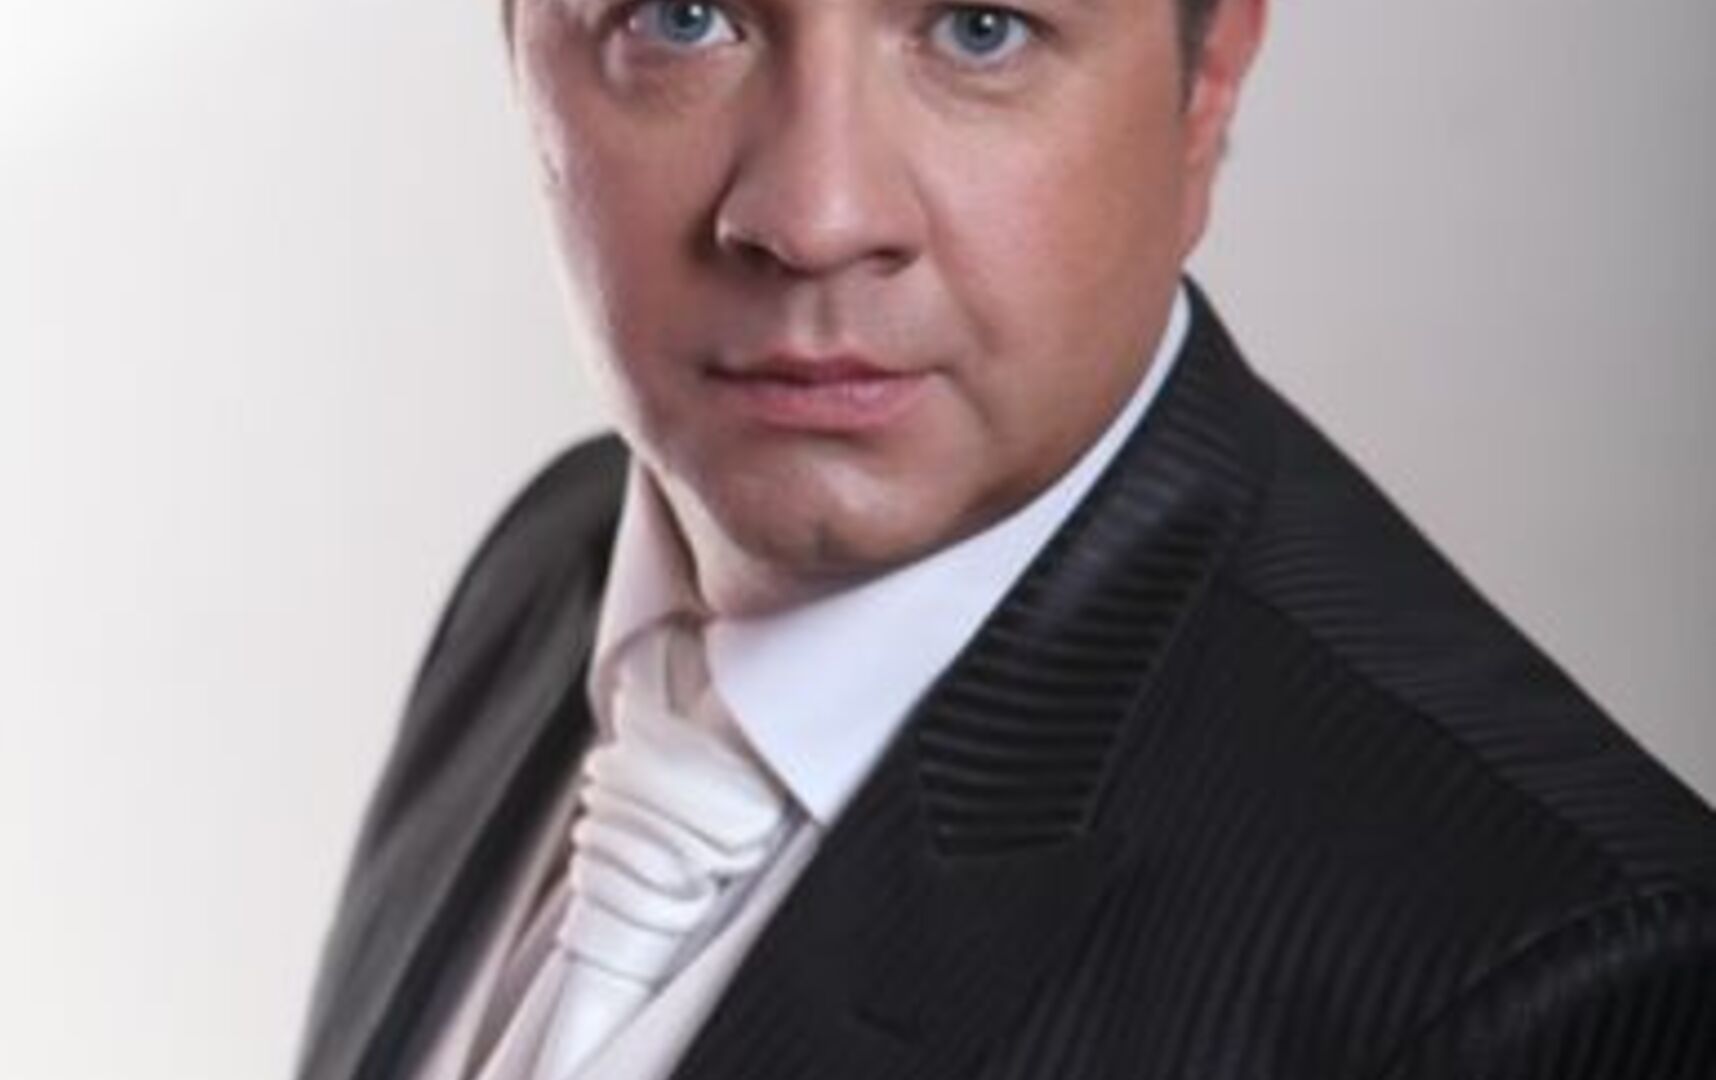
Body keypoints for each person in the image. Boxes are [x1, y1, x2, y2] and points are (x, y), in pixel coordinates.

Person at [297, 0, 1716, 1076]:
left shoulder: (1561, 982)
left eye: (980, 28)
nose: (815, 217)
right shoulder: (546, 559)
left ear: (1207, 79)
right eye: (684, 16)